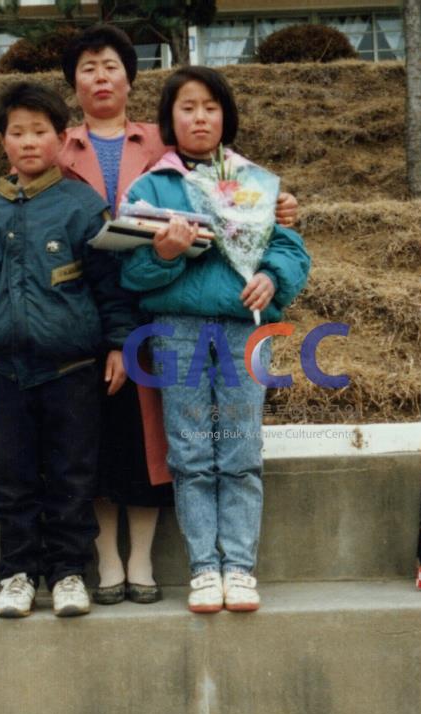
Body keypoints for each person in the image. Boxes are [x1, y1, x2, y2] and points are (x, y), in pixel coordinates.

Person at [0, 26, 301, 607]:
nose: (100, 77)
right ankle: (103, 560)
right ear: (73, 86)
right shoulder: (57, 144)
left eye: (110, 65)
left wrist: (281, 204)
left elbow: (246, 203)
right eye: (87, 68)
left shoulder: (167, 142)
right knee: (92, 439)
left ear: (131, 76)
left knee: (153, 440)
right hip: (81, 312)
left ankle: (149, 559)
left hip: (157, 307)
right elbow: (8, 211)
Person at [0, 82, 136, 619]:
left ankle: (70, 573)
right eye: (16, 132)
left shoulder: (82, 207)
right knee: (14, 477)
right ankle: (18, 575)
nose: (28, 142)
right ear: (2, 142)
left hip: (73, 370)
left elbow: (111, 285)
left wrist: (119, 345)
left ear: (61, 138)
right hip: (7, 373)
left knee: (74, 474)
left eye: (40, 132)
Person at [120, 66, 311, 613]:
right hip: (176, 332)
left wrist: (272, 277)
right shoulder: (151, 187)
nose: (199, 117)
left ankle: (241, 569)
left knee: (240, 447)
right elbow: (130, 275)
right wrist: (164, 254)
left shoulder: (257, 183)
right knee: (190, 450)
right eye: (186, 107)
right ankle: (204, 568)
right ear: (168, 120)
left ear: (226, 116)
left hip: (242, 333)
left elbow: (292, 249)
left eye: (209, 107)